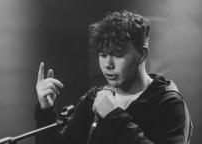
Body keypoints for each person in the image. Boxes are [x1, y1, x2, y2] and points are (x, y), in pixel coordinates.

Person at [34, 10, 193, 144]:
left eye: (118, 55)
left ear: (142, 54)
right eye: (103, 54)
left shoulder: (169, 103)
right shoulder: (94, 99)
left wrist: (113, 116)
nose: (108, 64)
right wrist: (46, 112)